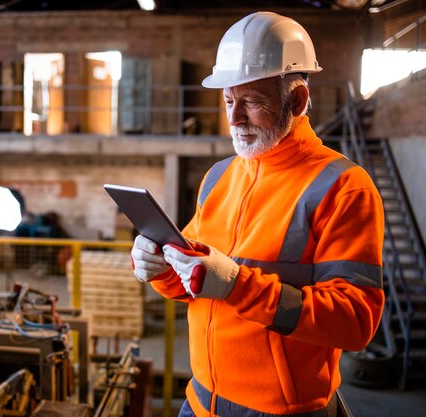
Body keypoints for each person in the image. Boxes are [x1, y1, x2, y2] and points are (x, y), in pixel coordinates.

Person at [130, 11, 384, 417]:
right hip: (200, 401)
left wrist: (238, 287)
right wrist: (160, 268)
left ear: (297, 101)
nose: (234, 118)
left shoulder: (342, 188)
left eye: (251, 102)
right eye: (229, 100)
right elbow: (192, 283)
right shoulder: (218, 177)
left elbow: (355, 323)